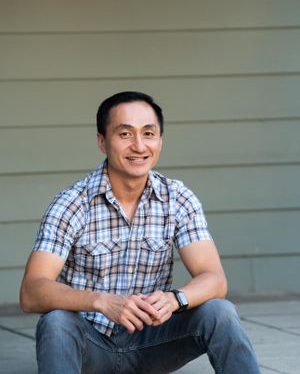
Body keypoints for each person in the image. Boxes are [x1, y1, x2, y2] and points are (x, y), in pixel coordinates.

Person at [20, 91, 261, 374]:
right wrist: (101, 302)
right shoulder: (72, 203)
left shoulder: (178, 198)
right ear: (102, 141)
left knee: (220, 312)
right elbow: (31, 291)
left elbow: (215, 280)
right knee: (56, 321)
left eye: (148, 133)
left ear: (160, 141)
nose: (139, 145)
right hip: (89, 347)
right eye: (125, 134)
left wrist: (175, 299)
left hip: (153, 343)